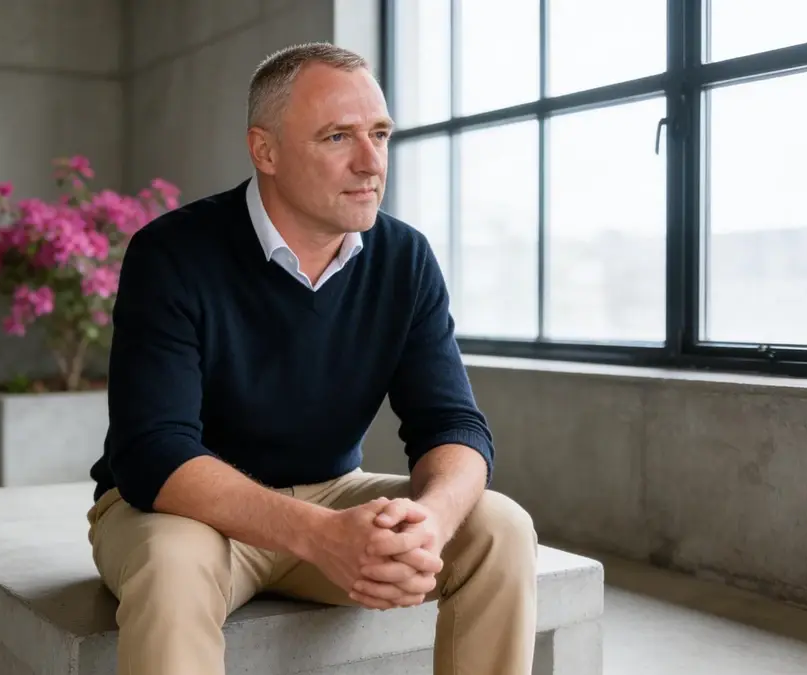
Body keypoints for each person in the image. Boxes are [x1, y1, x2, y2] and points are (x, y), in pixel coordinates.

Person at [85, 41, 538, 675]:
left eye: (380, 134)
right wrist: (319, 535)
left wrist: (431, 523)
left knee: (500, 529)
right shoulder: (172, 253)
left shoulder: (404, 258)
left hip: (333, 494)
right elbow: (153, 451)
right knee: (171, 567)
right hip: (184, 512)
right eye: (337, 137)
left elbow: (453, 425)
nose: (371, 162)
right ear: (265, 151)